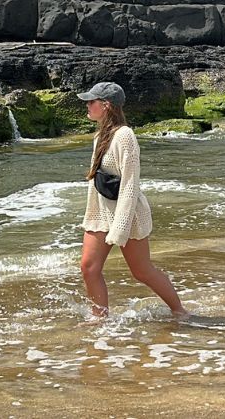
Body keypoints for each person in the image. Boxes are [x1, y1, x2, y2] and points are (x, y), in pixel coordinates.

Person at [77, 81, 187, 319]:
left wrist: (120, 228)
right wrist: (92, 216)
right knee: (89, 267)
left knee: (142, 271)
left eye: (92, 101)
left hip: (128, 215)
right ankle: (100, 320)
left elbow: (130, 185)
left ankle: (180, 312)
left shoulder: (125, 136)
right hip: (102, 213)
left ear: (105, 106)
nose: (87, 105)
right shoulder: (100, 136)